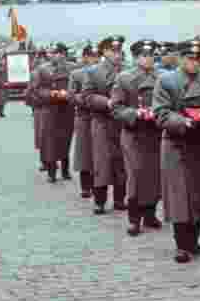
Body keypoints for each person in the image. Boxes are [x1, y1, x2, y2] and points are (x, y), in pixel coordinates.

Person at [152, 37, 200, 263]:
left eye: (196, 58)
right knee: (179, 194)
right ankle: (181, 244)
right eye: (189, 58)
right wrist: (184, 121)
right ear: (181, 59)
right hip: (177, 143)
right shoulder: (167, 81)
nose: (193, 63)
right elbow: (161, 113)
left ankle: (194, 239)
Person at [111, 39, 163, 237]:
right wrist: (135, 114)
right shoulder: (125, 78)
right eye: (144, 55)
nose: (148, 59)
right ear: (135, 58)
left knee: (156, 175)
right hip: (134, 134)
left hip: (157, 133)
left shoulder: (163, 77)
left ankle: (150, 214)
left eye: (151, 55)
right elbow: (115, 108)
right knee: (136, 176)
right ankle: (134, 218)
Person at [82, 35, 128, 215]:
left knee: (122, 162)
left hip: (122, 122)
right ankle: (100, 201)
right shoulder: (94, 72)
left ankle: (119, 199)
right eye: (113, 51)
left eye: (119, 51)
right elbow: (86, 96)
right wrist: (106, 102)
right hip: (102, 121)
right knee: (102, 162)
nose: (117, 55)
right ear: (105, 52)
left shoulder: (127, 70)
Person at [31, 42, 75, 183]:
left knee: (66, 139)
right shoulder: (42, 69)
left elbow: (78, 86)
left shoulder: (72, 68)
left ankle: (65, 169)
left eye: (58, 53)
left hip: (67, 109)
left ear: (64, 54)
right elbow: (36, 89)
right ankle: (51, 171)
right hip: (49, 109)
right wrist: (53, 93)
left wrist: (69, 93)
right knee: (50, 141)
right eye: (53, 53)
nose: (55, 55)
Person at [70, 43, 99, 199]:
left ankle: (97, 185)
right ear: (85, 57)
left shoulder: (102, 73)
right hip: (84, 116)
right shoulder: (77, 74)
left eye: (96, 56)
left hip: (100, 116)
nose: (94, 59)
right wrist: (87, 100)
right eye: (91, 56)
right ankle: (85, 186)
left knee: (99, 153)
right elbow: (71, 95)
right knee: (84, 153)